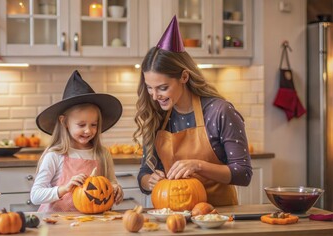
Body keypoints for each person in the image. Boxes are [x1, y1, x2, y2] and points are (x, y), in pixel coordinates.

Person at [134, 16, 253, 206]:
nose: (155, 96)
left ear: (184, 76)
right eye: (149, 88)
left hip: (217, 216)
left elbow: (243, 174)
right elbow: (144, 173)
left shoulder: (219, 112)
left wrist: (198, 165)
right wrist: (149, 181)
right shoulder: (156, 115)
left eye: (162, 88)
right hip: (172, 218)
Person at [31, 70, 124, 212]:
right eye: (81, 125)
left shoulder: (102, 154)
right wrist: (64, 189)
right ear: (64, 122)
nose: (88, 130)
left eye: (94, 125)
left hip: (90, 224)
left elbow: (111, 183)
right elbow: (35, 196)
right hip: (57, 223)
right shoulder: (55, 155)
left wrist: (116, 189)